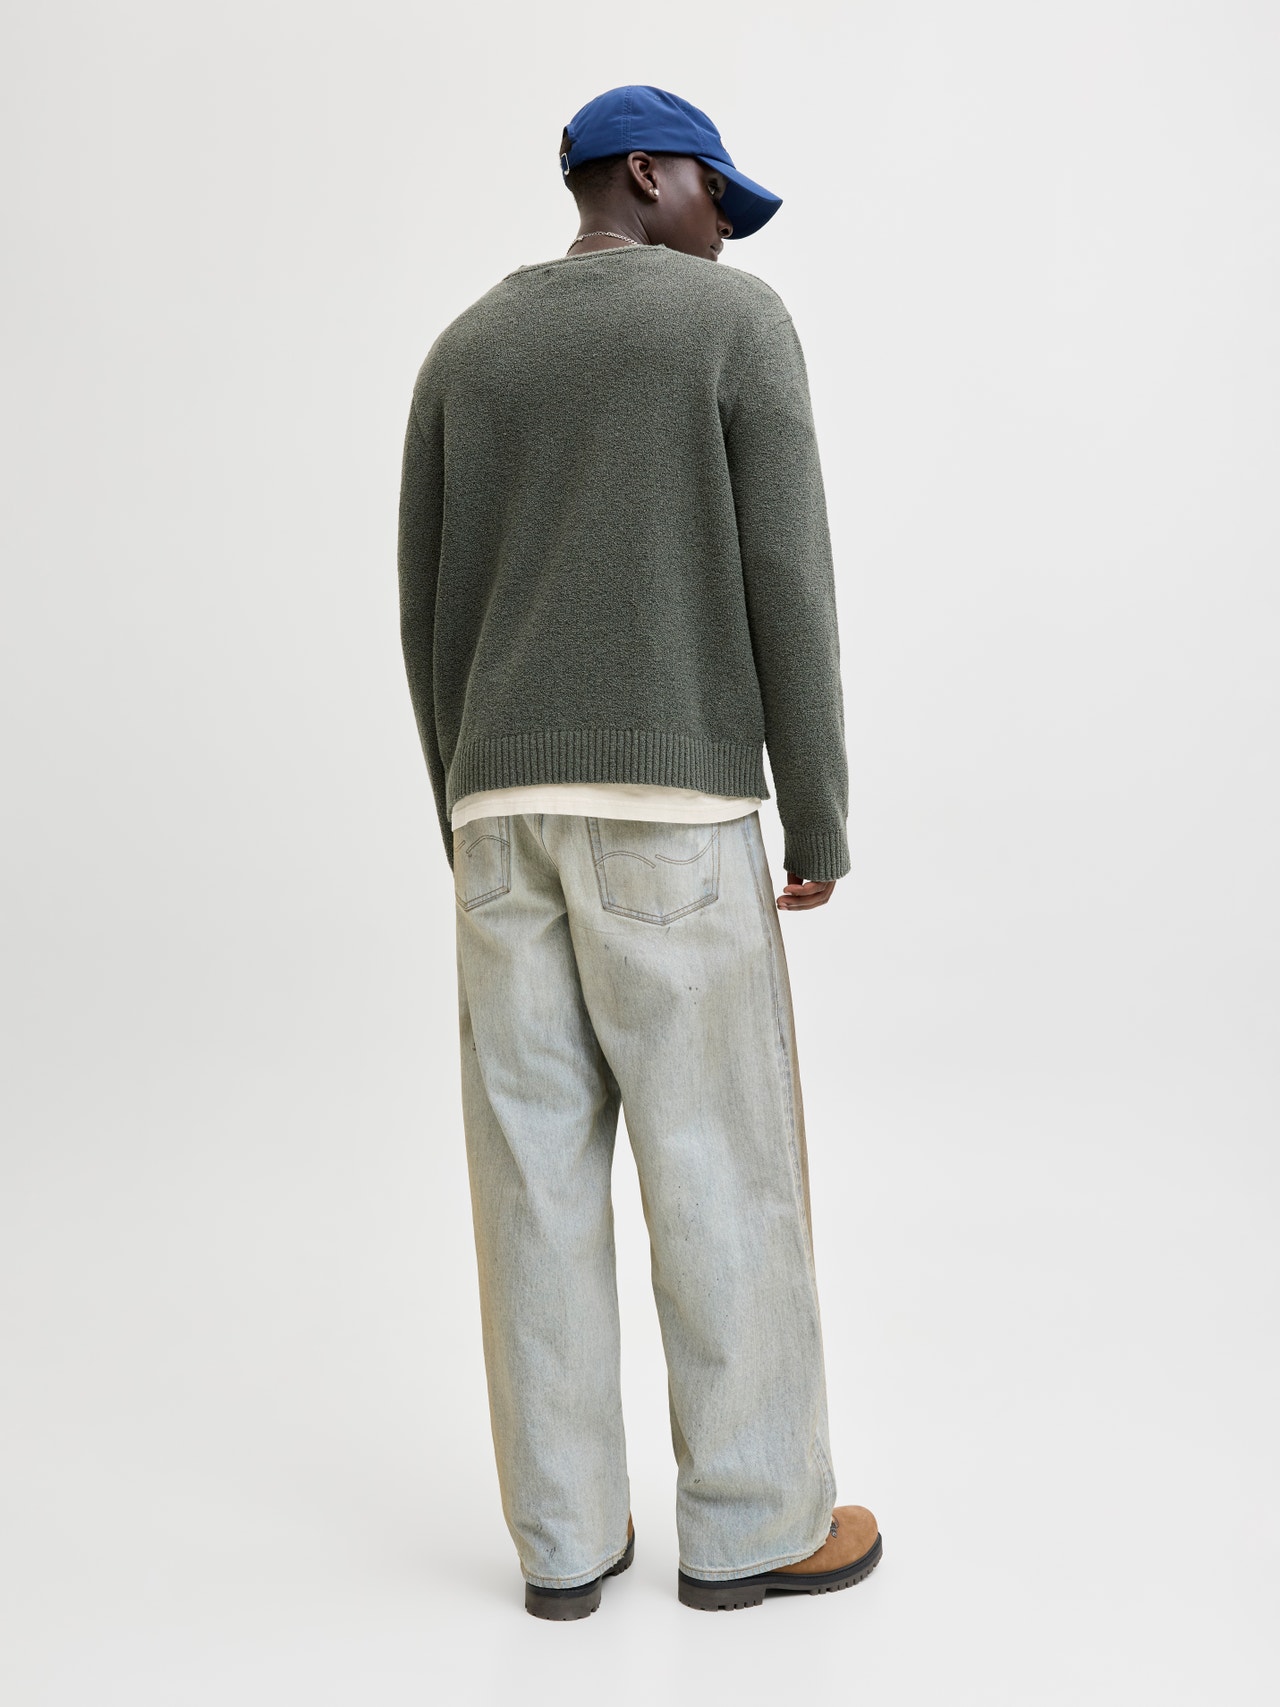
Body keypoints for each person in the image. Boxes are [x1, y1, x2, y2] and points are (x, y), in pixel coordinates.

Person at [397, 83, 881, 1618]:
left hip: (500, 822)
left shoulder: (465, 349)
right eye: (718, 200)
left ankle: (564, 1544)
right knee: (720, 1171)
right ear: (650, 174)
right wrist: (817, 807)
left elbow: (424, 605)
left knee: (529, 1188)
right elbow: (787, 574)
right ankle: (754, 1524)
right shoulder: (727, 328)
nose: (726, 233)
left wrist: (466, 810)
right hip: (672, 815)